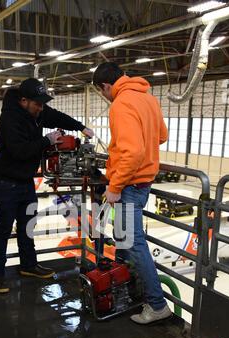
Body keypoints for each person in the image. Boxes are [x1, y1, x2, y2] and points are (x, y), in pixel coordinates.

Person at [0, 78, 94, 293]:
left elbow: (56, 116)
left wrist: (81, 127)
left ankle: (28, 265)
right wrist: (46, 141)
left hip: (26, 183)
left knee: (27, 227)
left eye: (43, 103)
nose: (41, 108)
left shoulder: (37, 112)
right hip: (6, 183)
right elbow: (19, 151)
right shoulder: (10, 118)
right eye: (38, 104)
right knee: (3, 229)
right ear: (24, 101)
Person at [93, 62, 171, 324]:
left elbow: (133, 152)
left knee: (134, 244)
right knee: (125, 240)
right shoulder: (147, 98)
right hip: (143, 182)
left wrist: (114, 187)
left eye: (102, 92)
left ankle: (157, 305)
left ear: (106, 86)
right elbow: (161, 136)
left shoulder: (121, 104)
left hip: (129, 184)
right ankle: (128, 291)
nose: (105, 96)